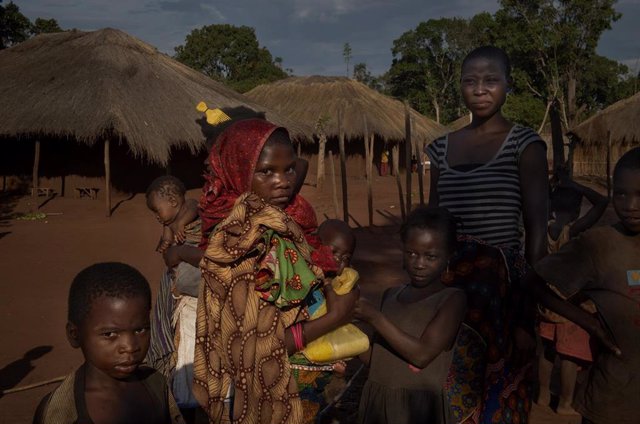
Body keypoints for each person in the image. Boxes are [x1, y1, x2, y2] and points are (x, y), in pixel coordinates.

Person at [162, 119, 358, 424]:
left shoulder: (295, 212)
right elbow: (259, 346)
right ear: (237, 170)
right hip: (270, 386)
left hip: (314, 371)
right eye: (266, 171)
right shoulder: (233, 230)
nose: (283, 181)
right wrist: (336, 317)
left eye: (289, 169)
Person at [425, 45, 548, 423]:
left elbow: (537, 230)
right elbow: (433, 227)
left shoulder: (525, 145)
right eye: (470, 81)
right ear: (459, 88)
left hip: (503, 292)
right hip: (450, 290)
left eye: (491, 80)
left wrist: (530, 312)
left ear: (507, 86)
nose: (480, 89)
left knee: (501, 396)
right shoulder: (442, 148)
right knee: (447, 392)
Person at [530, 147, 640, 424]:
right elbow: (532, 282)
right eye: (621, 194)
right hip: (613, 398)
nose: (630, 206)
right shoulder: (599, 245)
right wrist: (588, 323)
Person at [33, 262, 184, 424]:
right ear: (74, 335)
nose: (130, 347)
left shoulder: (156, 384)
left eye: (140, 330)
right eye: (110, 334)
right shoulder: (60, 413)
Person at [354, 206, 466, 423]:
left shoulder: (451, 299)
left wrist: (375, 318)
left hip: (418, 410)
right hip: (379, 402)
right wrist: (347, 336)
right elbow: (377, 359)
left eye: (430, 256)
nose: (419, 264)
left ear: (449, 256)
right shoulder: (391, 295)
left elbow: (421, 355)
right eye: (411, 253)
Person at [536, 175, 608, 415]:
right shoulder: (571, 230)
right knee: (569, 354)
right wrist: (577, 185)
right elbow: (601, 203)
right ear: (577, 210)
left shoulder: (544, 229)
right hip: (570, 305)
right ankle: (565, 403)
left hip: (546, 303)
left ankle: (544, 395)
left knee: (547, 350)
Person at [145, 176, 203, 417]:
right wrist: (167, 242)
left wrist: (180, 229)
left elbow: (193, 206)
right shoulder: (169, 222)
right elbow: (167, 242)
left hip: (194, 287)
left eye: (158, 210)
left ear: (173, 200)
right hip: (182, 285)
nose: (158, 217)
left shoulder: (189, 209)